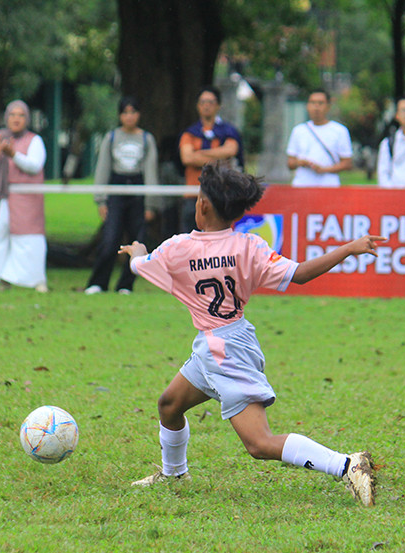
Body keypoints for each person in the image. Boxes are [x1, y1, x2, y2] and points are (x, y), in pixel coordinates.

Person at [119, 162, 380, 506]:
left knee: (259, 444)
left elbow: (141, 263)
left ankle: (347, 464)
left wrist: (136, 250)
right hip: (230, 339)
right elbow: (299, 274)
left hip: (224, 352)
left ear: (203, 205)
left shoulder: (178, 248)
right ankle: (174, 475)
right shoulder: (249, 246)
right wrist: (347, 249)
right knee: (169, 404)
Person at [84, 97, 159, 295]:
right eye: (125, 112)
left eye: (133, 112)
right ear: (120, 115)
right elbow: (103, 168)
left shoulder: (146, 139)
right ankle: (98, 282)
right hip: (116, 190)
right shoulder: (111, 137)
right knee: (110, 239)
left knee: (136, 240)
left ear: (139, 114)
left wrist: (151, 204)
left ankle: (126, 284)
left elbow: (150, 171)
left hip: (138, 190)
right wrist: (100, 199)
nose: (129, 116)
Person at [0, 100, 48, 292]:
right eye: (13, 115)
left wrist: (13, 154)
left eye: (21, 115)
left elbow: (34, 165)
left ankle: (34, 280)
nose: (16, 119)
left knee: (28, 238)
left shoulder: (35, 140)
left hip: (26, 200)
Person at [177, 87, 243, 234]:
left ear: (218, 105)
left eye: (211, 102)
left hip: (218, 196)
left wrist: (199, 154)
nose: (206, 105)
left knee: (217, 240)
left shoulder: (228, 131)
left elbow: (231, 150)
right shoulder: (190, 133)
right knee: (189, 241)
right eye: (203, 102)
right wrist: (217, 158)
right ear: (197, 105)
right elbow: (187, 158)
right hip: (193, 195)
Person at [286, 89, 353, 187]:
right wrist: (301, 162)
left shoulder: (339, 130)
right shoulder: (298, 130)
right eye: (313, 103)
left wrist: (324, 169)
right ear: (307, 106)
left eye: (320, 103)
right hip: (302, 186)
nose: (316, 107)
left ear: (328, 106)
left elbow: (347, 163)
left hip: (328, 186)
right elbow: (290, 163)